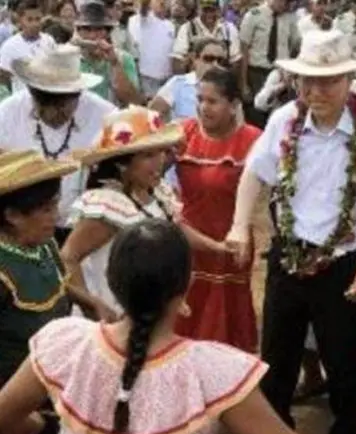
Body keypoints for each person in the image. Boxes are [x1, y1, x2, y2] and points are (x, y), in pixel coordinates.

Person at [0, 219, 356, 434]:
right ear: (184, 286)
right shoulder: (209, 373)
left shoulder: (65, 343)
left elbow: (5, 414)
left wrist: (29, 425)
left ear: (113, 280)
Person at [226, 29, 356, 434]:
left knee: (347, 357)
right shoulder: (285, 120)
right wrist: (238, 223)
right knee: (276, 353)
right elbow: (255, 171)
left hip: (347, 261)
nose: (315, 91)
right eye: (307, 81)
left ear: (350, 78)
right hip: (289, 253)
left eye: (327, 81)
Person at [0, 150, 110, 434]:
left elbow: (58, 282)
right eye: (46, 209)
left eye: (55, 204)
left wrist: (88, 300)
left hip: (54, 390)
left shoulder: (43, 244)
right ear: (13, 215)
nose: (56, 216)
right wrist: (14, 417)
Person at [61, 105, 225, 318]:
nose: (160, 161)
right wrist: (92, 306)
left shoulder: (157, 192)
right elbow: (67, 257)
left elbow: (175, 228)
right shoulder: (107, 205)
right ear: (122, 165)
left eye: (162, 152)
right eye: (148, 155)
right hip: (113, 320)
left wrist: (217, 247)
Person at [174, 67, 261, 352]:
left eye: (212, 101)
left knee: (222, 317)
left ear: (234, 104)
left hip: (230, 245)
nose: (203, 107)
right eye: (200, 99)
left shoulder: (254, 141)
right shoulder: (183, 133)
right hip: (185, 244)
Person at [0, 44, 117, 246]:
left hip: (82, 235)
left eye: (62, 107)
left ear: (78, 96)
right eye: (43, 106)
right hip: (20, 235)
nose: (51, 114)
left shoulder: (106, 117)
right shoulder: (8, 114)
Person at [73, 0, 141, 106]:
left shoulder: (124, 58)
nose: (92, 36)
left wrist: (114, 64)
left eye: (99, 29)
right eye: (87, 29)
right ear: (78, 31)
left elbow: (133, 102)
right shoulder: (69, 59)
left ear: (108, 32)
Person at [150, 36, 229, 121]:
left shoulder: (228, 89)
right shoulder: (178, 84)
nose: (215, 65)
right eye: (209, 59)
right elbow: (151, 115)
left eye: (220, 61)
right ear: (195, 59)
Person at [171, 0, 241, 74]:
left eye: (212, 10)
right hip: (195, 79)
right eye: (205, 10)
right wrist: (182, 81)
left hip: (221, 80)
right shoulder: (187, 28)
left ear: (219, 10)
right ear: (199, 11)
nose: (209, 14)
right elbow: (177, 59)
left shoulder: (229, 29)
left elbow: (235, 61)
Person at [0, 0, 55, 93]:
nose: (35, 24)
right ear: (21, 20)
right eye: (29, 19)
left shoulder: (49, 40)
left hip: (48, 97)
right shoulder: (9, 46)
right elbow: (3, 76)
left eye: (38, 19)